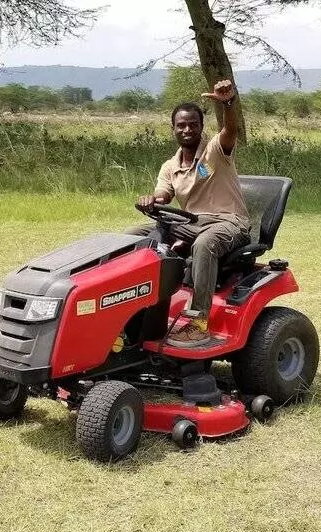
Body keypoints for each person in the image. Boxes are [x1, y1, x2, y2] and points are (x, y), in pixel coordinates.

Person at [126, 79, 250, 348]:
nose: (187, 129)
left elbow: (231, 129)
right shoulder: (170, 166)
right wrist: (152, 200)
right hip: (190, 224)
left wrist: (228, 103)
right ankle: (131, 311)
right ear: (173, 129)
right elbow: (163, 195)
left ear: (201, 127)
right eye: (181, 125)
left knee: (204, 246)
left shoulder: (215, 151)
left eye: (193, 124)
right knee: (131, 238)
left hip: (228, 222)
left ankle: (198, 323)